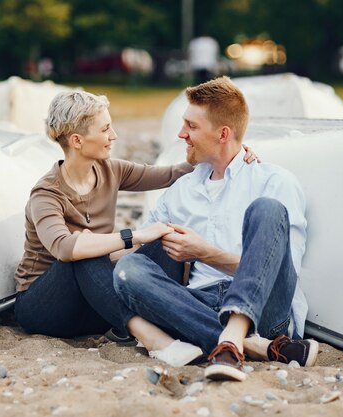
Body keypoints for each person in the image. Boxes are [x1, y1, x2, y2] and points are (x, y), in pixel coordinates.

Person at [13, 90, 258, 367]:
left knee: (166, 238)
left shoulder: (110, 170)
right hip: (45, 307)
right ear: (77, 141)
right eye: (105, 129)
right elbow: (65, 248)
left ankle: (161, 323)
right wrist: (136, 236)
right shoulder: (46, 194)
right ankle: (157, 340)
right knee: (84, 251)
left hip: (98, 304)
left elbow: (173, 173)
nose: (114, 135)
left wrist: (234, 151)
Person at [113, 77, 319, 381]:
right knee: (130, 270)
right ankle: (249, 346)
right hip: (197, 302)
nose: (181, 134)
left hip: (267, 314)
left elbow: (283, 271)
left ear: (223, 134)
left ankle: (236, 335)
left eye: (191, 127)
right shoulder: (181, 190)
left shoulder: (274, 181)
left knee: (267, 208)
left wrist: (205, 254)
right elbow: (142, 252)